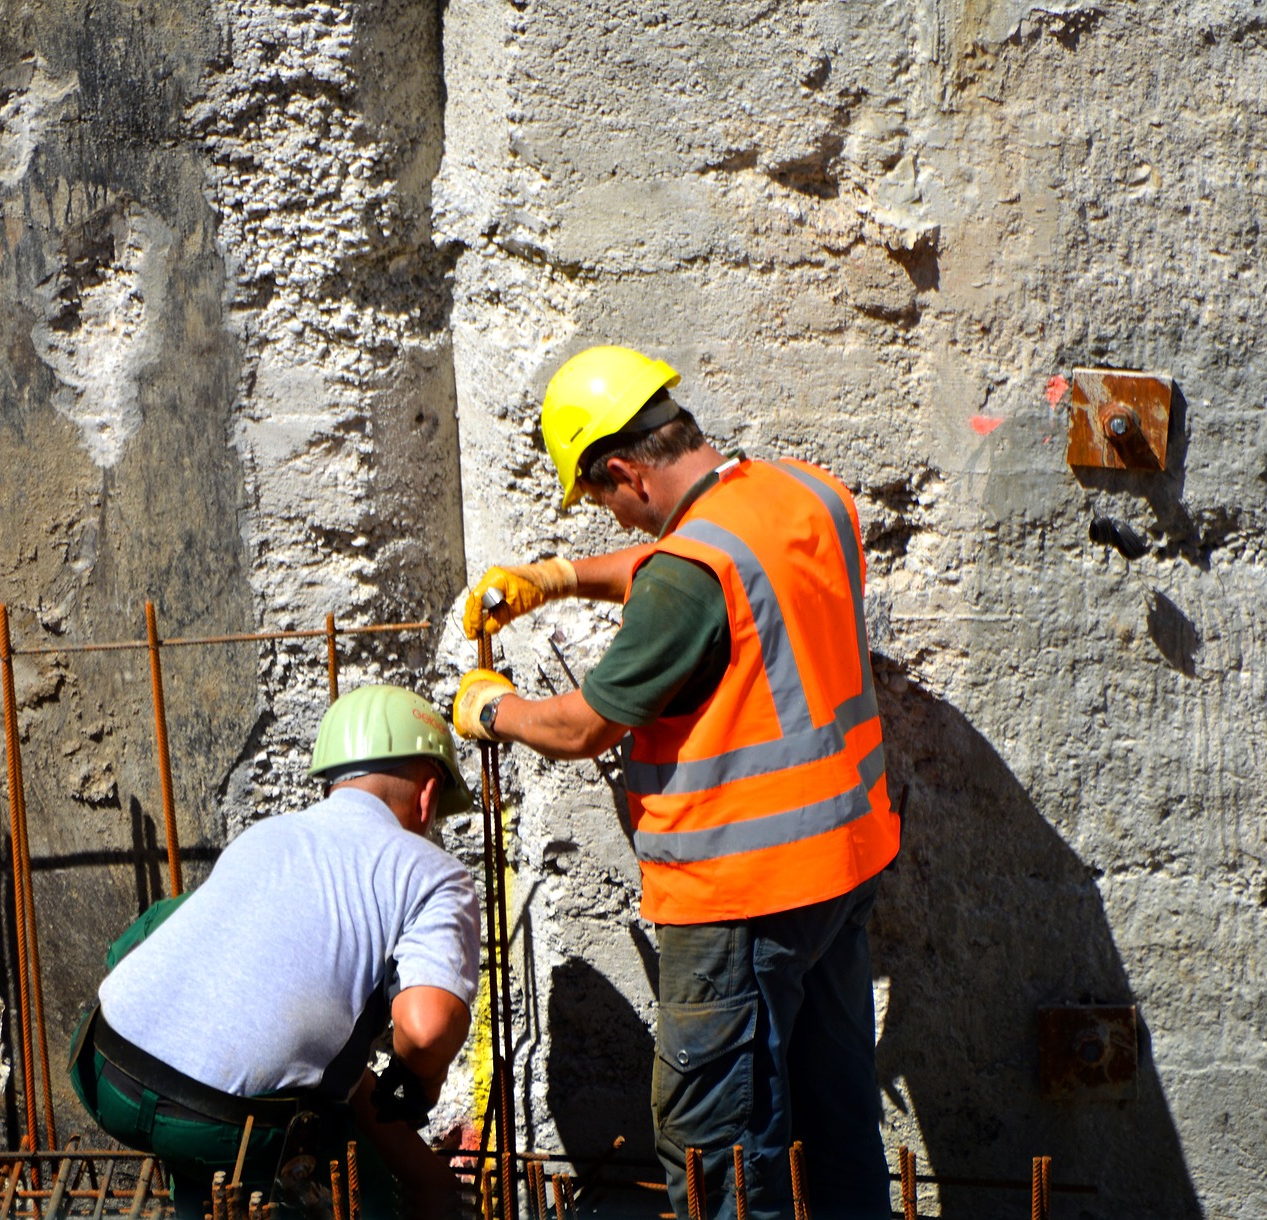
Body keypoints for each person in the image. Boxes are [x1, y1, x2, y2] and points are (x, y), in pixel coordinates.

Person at [451, 345, 899, 1220]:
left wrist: (493, 711)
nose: (616, 521)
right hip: (841, 866)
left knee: (716, 1145)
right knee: (835, 1115)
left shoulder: (688, 575)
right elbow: (684, 560)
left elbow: (584, 727)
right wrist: (560, 577)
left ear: (625, 470)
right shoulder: (803, 493)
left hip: (740, 892)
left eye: (606, 500)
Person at [70, 685, 480, 1219]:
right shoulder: (430, 872)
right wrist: (419, 1082)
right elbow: (426, 1031)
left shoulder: (266, 837)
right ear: (428, 795)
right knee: (362, 1185)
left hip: (105, 1066)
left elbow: (326, 1065)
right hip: (228, 1125)